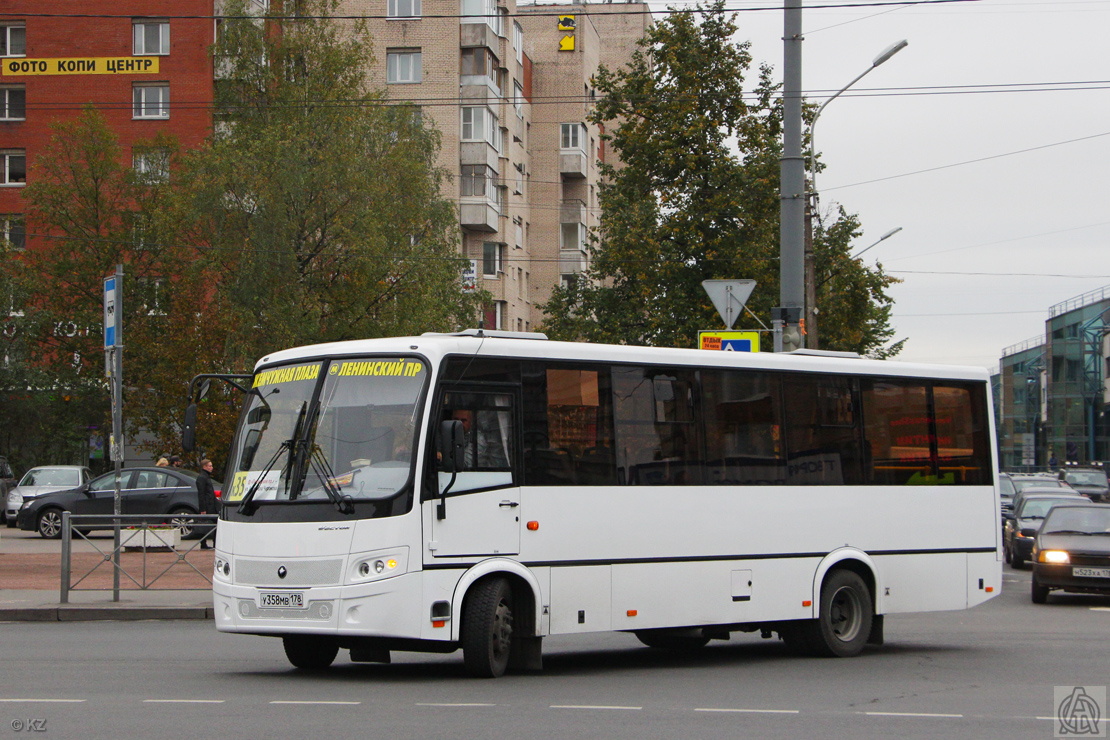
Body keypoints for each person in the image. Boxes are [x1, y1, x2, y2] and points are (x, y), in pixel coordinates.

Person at [196, 459, 218, 550]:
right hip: (207, 505)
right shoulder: (202, 477)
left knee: (214, 524)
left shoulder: (206, 476)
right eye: (210, 466)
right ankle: (205, 544)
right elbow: (201, 494)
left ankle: (214, 543)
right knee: (207, 524)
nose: (211, 468)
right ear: (204, 467)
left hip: (210, 504)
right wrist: (202, 509)